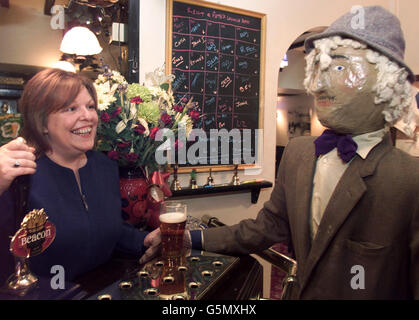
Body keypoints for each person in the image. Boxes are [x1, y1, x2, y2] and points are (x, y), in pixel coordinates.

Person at [144, 6, 419, 299]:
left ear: (388, 84)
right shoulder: (300, 154)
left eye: (338, 68)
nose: (318, 84)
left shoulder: (408, 181)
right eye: (319, 68)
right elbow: (263, 229)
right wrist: (188, 238)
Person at [0, 68, 153, 284]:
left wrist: (145, 240)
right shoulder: (19, 176)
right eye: (71, 108)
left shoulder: (105, 167)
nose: (88, 116)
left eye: (90, 106)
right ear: (42, 123)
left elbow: (108, 229)